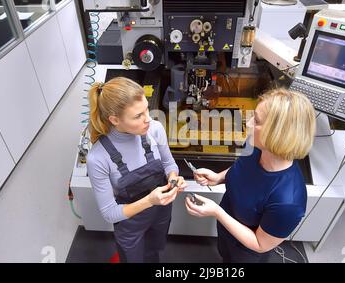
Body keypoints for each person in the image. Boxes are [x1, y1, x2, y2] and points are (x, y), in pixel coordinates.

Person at [185, 88, 316, 263]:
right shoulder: (256, 146)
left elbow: (260, 244)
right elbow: (241, 167)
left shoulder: (288, 202)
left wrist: (217, 212)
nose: (249, 124)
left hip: (247, 250)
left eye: (258, 121)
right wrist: (218, 177)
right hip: (227, 228)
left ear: (278, 134)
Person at [86, 77, 186, 263]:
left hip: (161, 213)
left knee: (154, 251)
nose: (148, 118)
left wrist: (173, 179)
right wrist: (150, 200)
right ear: (115, 119)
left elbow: (169, 164)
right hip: (130, 225)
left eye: (147, 108)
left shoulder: (155, 129)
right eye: (138, 116)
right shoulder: (98, 158)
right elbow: (109, 212)